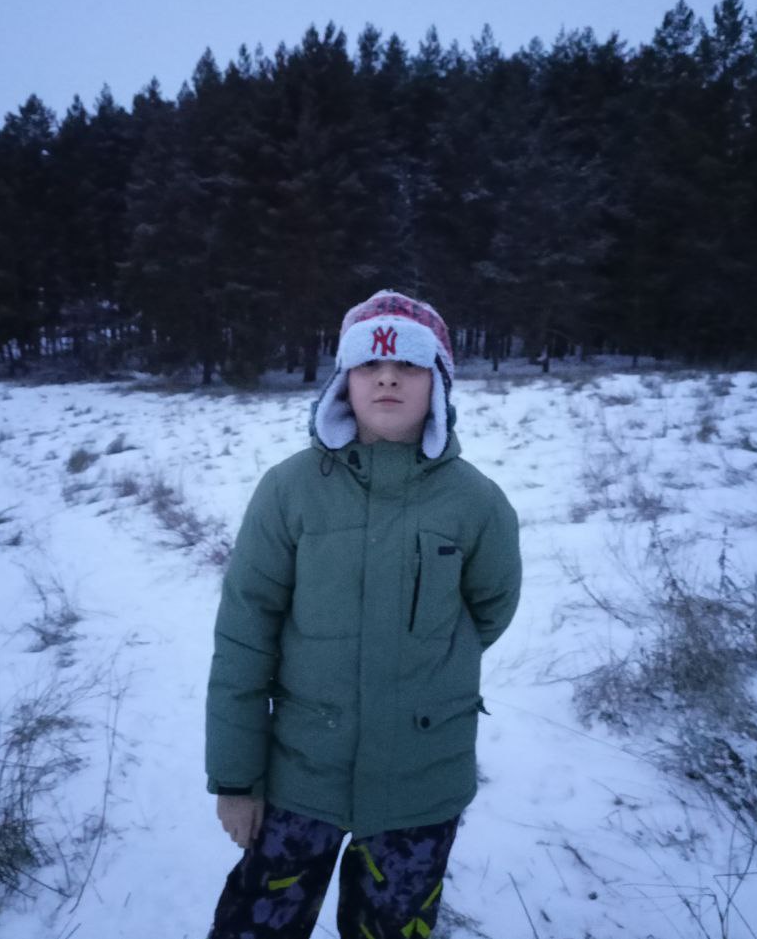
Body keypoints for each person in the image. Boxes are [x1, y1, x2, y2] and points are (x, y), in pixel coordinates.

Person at [205, 290, 522, 939]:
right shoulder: (289, 490)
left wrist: (430, 662)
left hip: (419, 789)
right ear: (343, 381)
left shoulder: (478, 503)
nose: (387, 378)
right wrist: (236, 780)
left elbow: (488, 611)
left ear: (438, 383)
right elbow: (245, 634)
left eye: (408, 365)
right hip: (298, 779)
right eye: (369, 364)